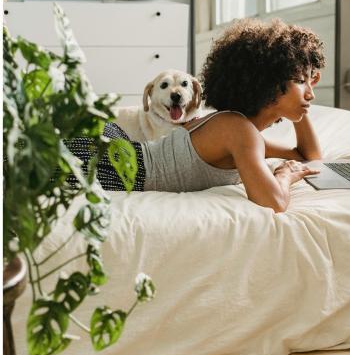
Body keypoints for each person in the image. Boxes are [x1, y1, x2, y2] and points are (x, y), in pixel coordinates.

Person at [65, 18, 325, 212]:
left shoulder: (239, 131)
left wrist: (302, 103)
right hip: (113, 164)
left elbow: (309, 158)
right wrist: (285, 175)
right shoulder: (239, 132)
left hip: (121, 152)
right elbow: (275, 202)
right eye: (301, 81)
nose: (310, 93)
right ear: (268, 83)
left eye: (309, 83)